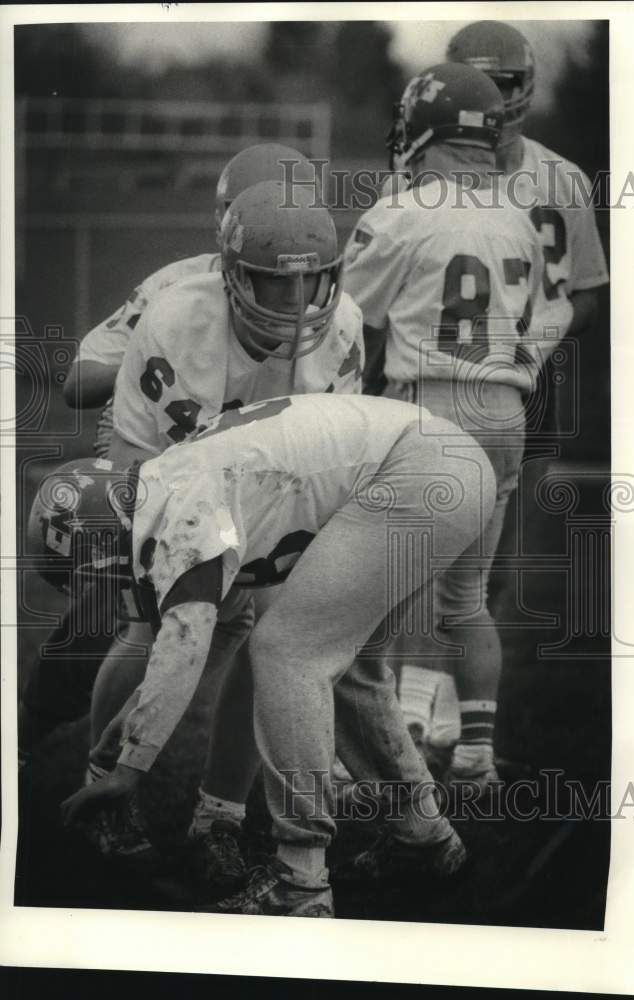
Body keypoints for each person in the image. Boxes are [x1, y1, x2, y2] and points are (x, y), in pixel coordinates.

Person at [28, 392, 496, 917]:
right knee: (348, 669)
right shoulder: (180, 480)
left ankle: (300, 882)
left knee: (287, 651)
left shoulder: (183, 505)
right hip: (443, 461)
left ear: (103, 533)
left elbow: (184, 642)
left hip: (416, 468)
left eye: (104, 569)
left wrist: (130, 769)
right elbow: (202, 641)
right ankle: (425, 840)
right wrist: (130, 731)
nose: (117, 582)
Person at [53, 177, 364, 897]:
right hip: (167, 463)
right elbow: (179, 468)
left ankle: (218, 817)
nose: (294, 305)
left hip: (274, 474)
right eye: (270, 283)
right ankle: (108, 791)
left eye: (309, 283)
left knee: (273, 632)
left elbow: (326, 445)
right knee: (150, 628)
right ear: (229, 267)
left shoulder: (344, 321)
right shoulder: (179, 315)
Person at [18, 143, 323, 764]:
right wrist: (155, 355)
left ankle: (221, 801)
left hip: (250, 464)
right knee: (119, 607)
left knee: (259, 623)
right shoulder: (180, 290)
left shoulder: (326, 303)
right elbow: (79, 381)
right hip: (154, 439)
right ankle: (30, 733)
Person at [343, 62, 573, 790]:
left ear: (425, 132)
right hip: (504, 411)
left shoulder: (401, 212)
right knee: (467, 596)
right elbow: (540, 321)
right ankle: (475, 755)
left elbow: (349, 321)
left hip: (432, 403)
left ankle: (406, 736)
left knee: (401, 586)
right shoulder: (519, 219)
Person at [400, 21, 610, 764]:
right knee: (425, 550)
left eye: (506, 81)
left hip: (527, 375)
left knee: (493, 551)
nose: (495, 97)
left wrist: (539, 339)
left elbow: (586, 289)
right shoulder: (428, 176)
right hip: (451, 372)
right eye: (478, 81)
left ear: (528, 86)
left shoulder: (561, 180)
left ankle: (456, 719)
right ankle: (426, 710)